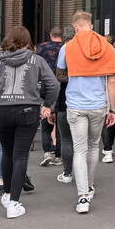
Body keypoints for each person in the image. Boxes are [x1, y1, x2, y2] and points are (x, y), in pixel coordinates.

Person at [0, 27, 58, 219]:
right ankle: (14, 203)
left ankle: (7, 194)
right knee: (20, 156)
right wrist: (47, 106)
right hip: (27, 110)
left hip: (2, 111)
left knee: (7, 153)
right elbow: (53, 84)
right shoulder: (37, 60)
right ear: (27, 41)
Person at [57, 11, 115, 214]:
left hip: (75, 103)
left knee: (79, 149)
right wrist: (113, 109)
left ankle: (82, 197)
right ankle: (90, 186)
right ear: (91, 25)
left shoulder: (67, 47)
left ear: (75, 27)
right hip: (98, 104)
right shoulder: (107, 47)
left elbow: (60, 72)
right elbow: (112, 81)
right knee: (93, 147)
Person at [35, 27, 65, 166]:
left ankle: (47, 152)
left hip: (45, 85)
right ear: (61, 36)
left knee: (45, 118)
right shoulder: (66, 48)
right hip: (61, 85)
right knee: (60, 120)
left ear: (51, 35)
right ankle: (58, 155)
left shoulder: (41, 48)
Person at [49, 66, 74, 184]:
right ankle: (86, 176)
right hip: (86, 105)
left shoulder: (62, 66)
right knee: (85, 142)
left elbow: (55, 87)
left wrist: (52, 109)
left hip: (64, 105)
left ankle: (68, 173)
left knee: (66, 139)